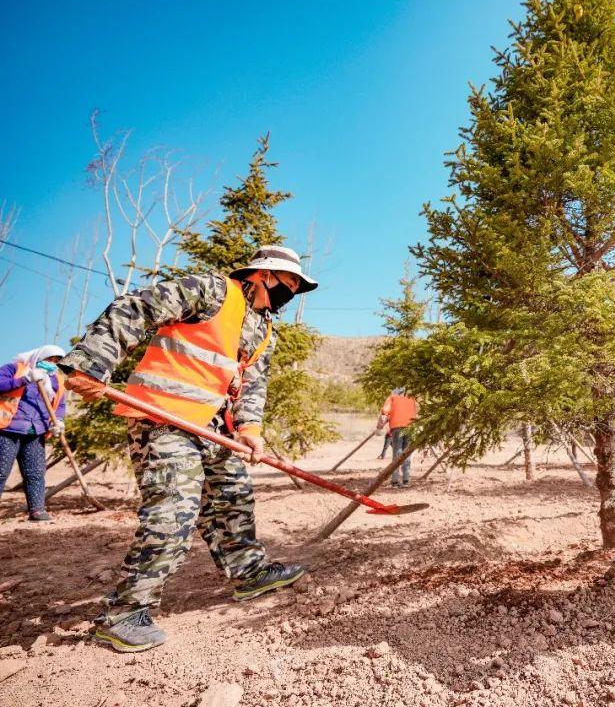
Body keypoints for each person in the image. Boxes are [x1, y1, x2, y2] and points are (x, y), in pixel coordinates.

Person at [59, 245, 318, 653]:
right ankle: (125, 613)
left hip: (214, 427)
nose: (290, 292)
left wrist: (250, 428)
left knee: (233, 499)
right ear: (262, 274)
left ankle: (249, 574)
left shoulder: (264, 328)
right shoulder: (211, 291)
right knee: (173, 512)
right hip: (164, 419)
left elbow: (253, 384)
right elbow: (136, 307)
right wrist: (91, 362)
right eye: (287, 283)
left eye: (294, 288)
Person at [0, 344, 67, 522]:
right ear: (39, 357)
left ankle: (37, 511)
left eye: (56, 361)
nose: (52, 364)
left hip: (36, 432)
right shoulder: (16, 369)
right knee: (1, 472)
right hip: (8, 429)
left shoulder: (56, 380)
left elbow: (59, 405)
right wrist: (24, 379)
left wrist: (58, 421)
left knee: (36, 473)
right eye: (49, 359)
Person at [378, 388, 417, 487]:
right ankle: (406, 480)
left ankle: (395, 481)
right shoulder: (411, 399)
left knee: (397, 453)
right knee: (406, 454)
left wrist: (379, 426)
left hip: (397, 427)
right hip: (410, 427)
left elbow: (384, 413)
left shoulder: (392, 398)